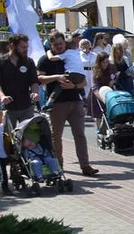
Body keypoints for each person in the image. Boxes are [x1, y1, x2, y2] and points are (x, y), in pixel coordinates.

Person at [37, 31, 97, 176]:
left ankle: (85, 166)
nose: (59, 47)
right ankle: (58, 165)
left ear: (65, 42)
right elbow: (40, 79)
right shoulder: (45, 59)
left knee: (80, 135)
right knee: (56, 136)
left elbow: (83, 81)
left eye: (61, 43)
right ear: (51, 45)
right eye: (56, 44)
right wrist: (57, 77)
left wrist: (74, 87)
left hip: (75, 101)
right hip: (57, 104)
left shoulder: (72, 55)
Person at [0, 34, 41, 127]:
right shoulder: (2, 62)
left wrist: (35, 93)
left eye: (27, 47)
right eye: (22, 47)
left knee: (30, 136)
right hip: (7, 108)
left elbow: (34, 81)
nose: (25, 50)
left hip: (26, 106)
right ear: (12, 46)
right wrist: (2, 97)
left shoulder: (29, 62)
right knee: (7, 138)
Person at [90, 51, 115, 132]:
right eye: (103, 62)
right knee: (98, 115)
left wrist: (113, 81)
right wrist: (102, 98)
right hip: (98, 94)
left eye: (107, 62)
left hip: (108, 91)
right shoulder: (96, 71)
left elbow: (115, 76)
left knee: (109, 112)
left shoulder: (111, 68)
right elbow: (95, 88)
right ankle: (99, 130)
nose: (105, 64)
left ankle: (110, 127)